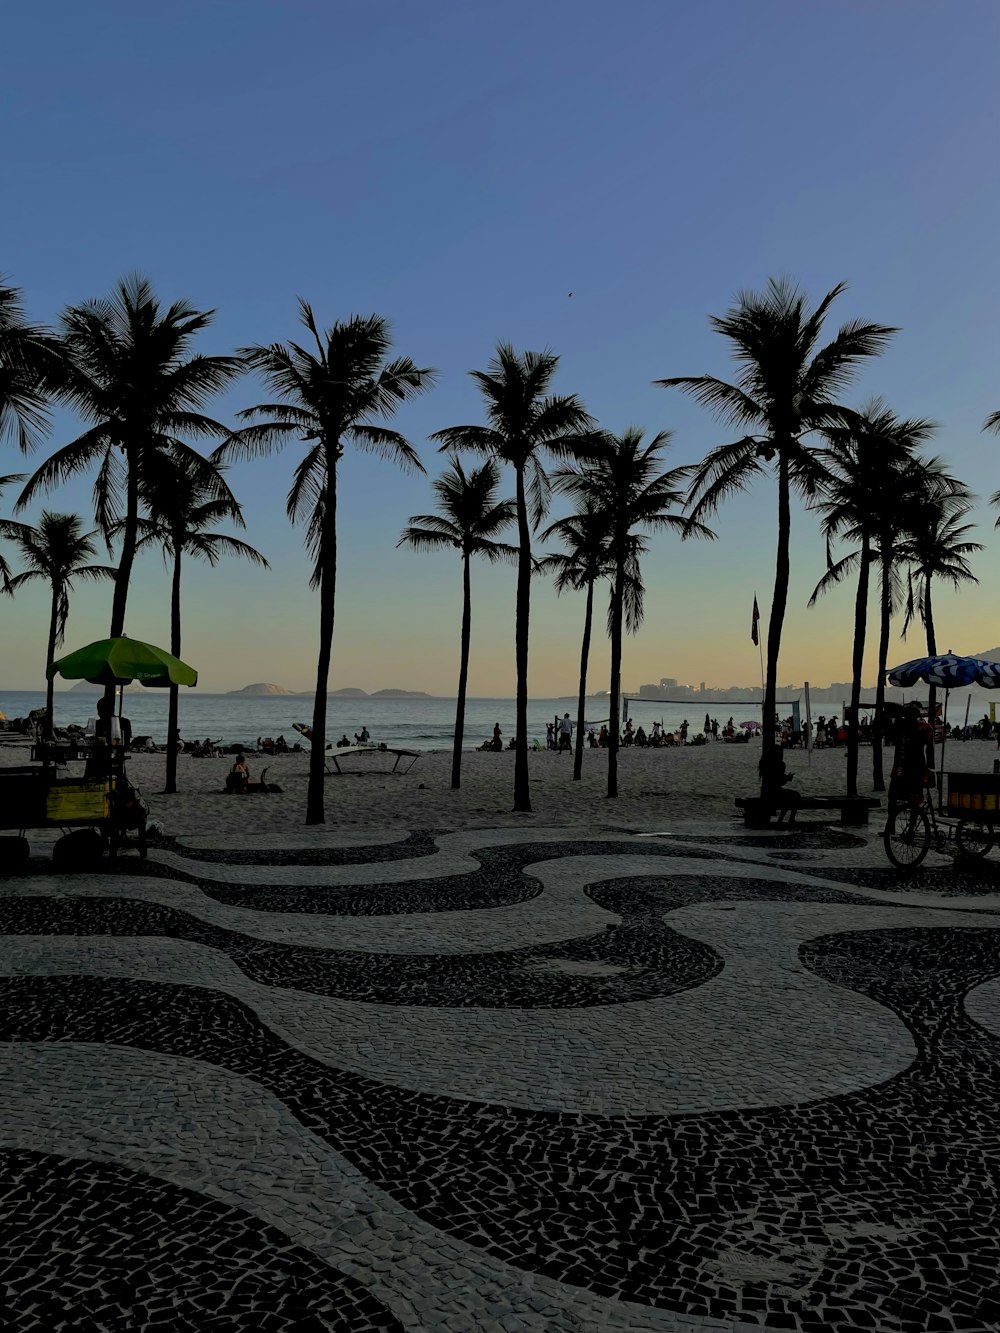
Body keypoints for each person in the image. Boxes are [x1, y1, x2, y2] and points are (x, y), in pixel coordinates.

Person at [759, 749, 800, 825]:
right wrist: (787, 778)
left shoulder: (765, 764)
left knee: (789, 797)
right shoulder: (780, 764)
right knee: (795, 796)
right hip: (775, 791)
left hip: (766, 792)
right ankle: (789, 818)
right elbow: (779, 781)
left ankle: (781, 818)